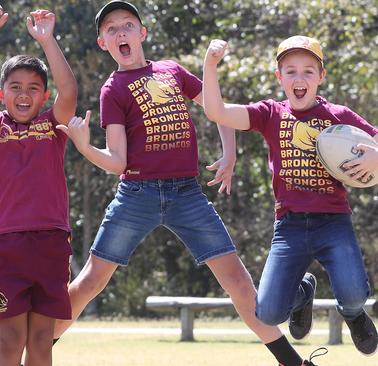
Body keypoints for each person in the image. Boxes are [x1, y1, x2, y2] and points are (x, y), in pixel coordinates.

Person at [56, 2, 314, 365]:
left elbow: (217, 107)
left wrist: (229, 154)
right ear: (103, 43)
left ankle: (294, 363)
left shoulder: (171, 70)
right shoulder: (112, 89)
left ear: (142, 34)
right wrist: (84, 147)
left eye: (128, 25)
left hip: (187, 195)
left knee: (240, 286)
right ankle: (35, 350)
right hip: (137, 195)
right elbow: (118, 162)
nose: (121, 33)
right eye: (112, 29)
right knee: (89, 283)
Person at [203, 35, 378, 356]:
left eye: (309, 71)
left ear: (321, 77)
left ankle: (353, 314)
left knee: (354, 296)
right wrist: (211, 65)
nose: (300, 78)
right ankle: (303, 292)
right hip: (289, 227)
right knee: (268, 313)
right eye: (291, 71)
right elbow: (217, 111)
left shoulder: (338, 114)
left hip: (334, 223)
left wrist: (375, 156)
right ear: (279, 77)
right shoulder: (270, 113)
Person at [0, 2, 77, 365]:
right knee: (10, 343)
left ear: (44, 96)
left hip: (52, 242)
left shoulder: (53, 126)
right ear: (2, 94)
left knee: (42, 342)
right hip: (7, 246)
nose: (24, 94)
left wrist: (48, 41)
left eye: (33, 88)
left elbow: (69, 91)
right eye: (15, 87)